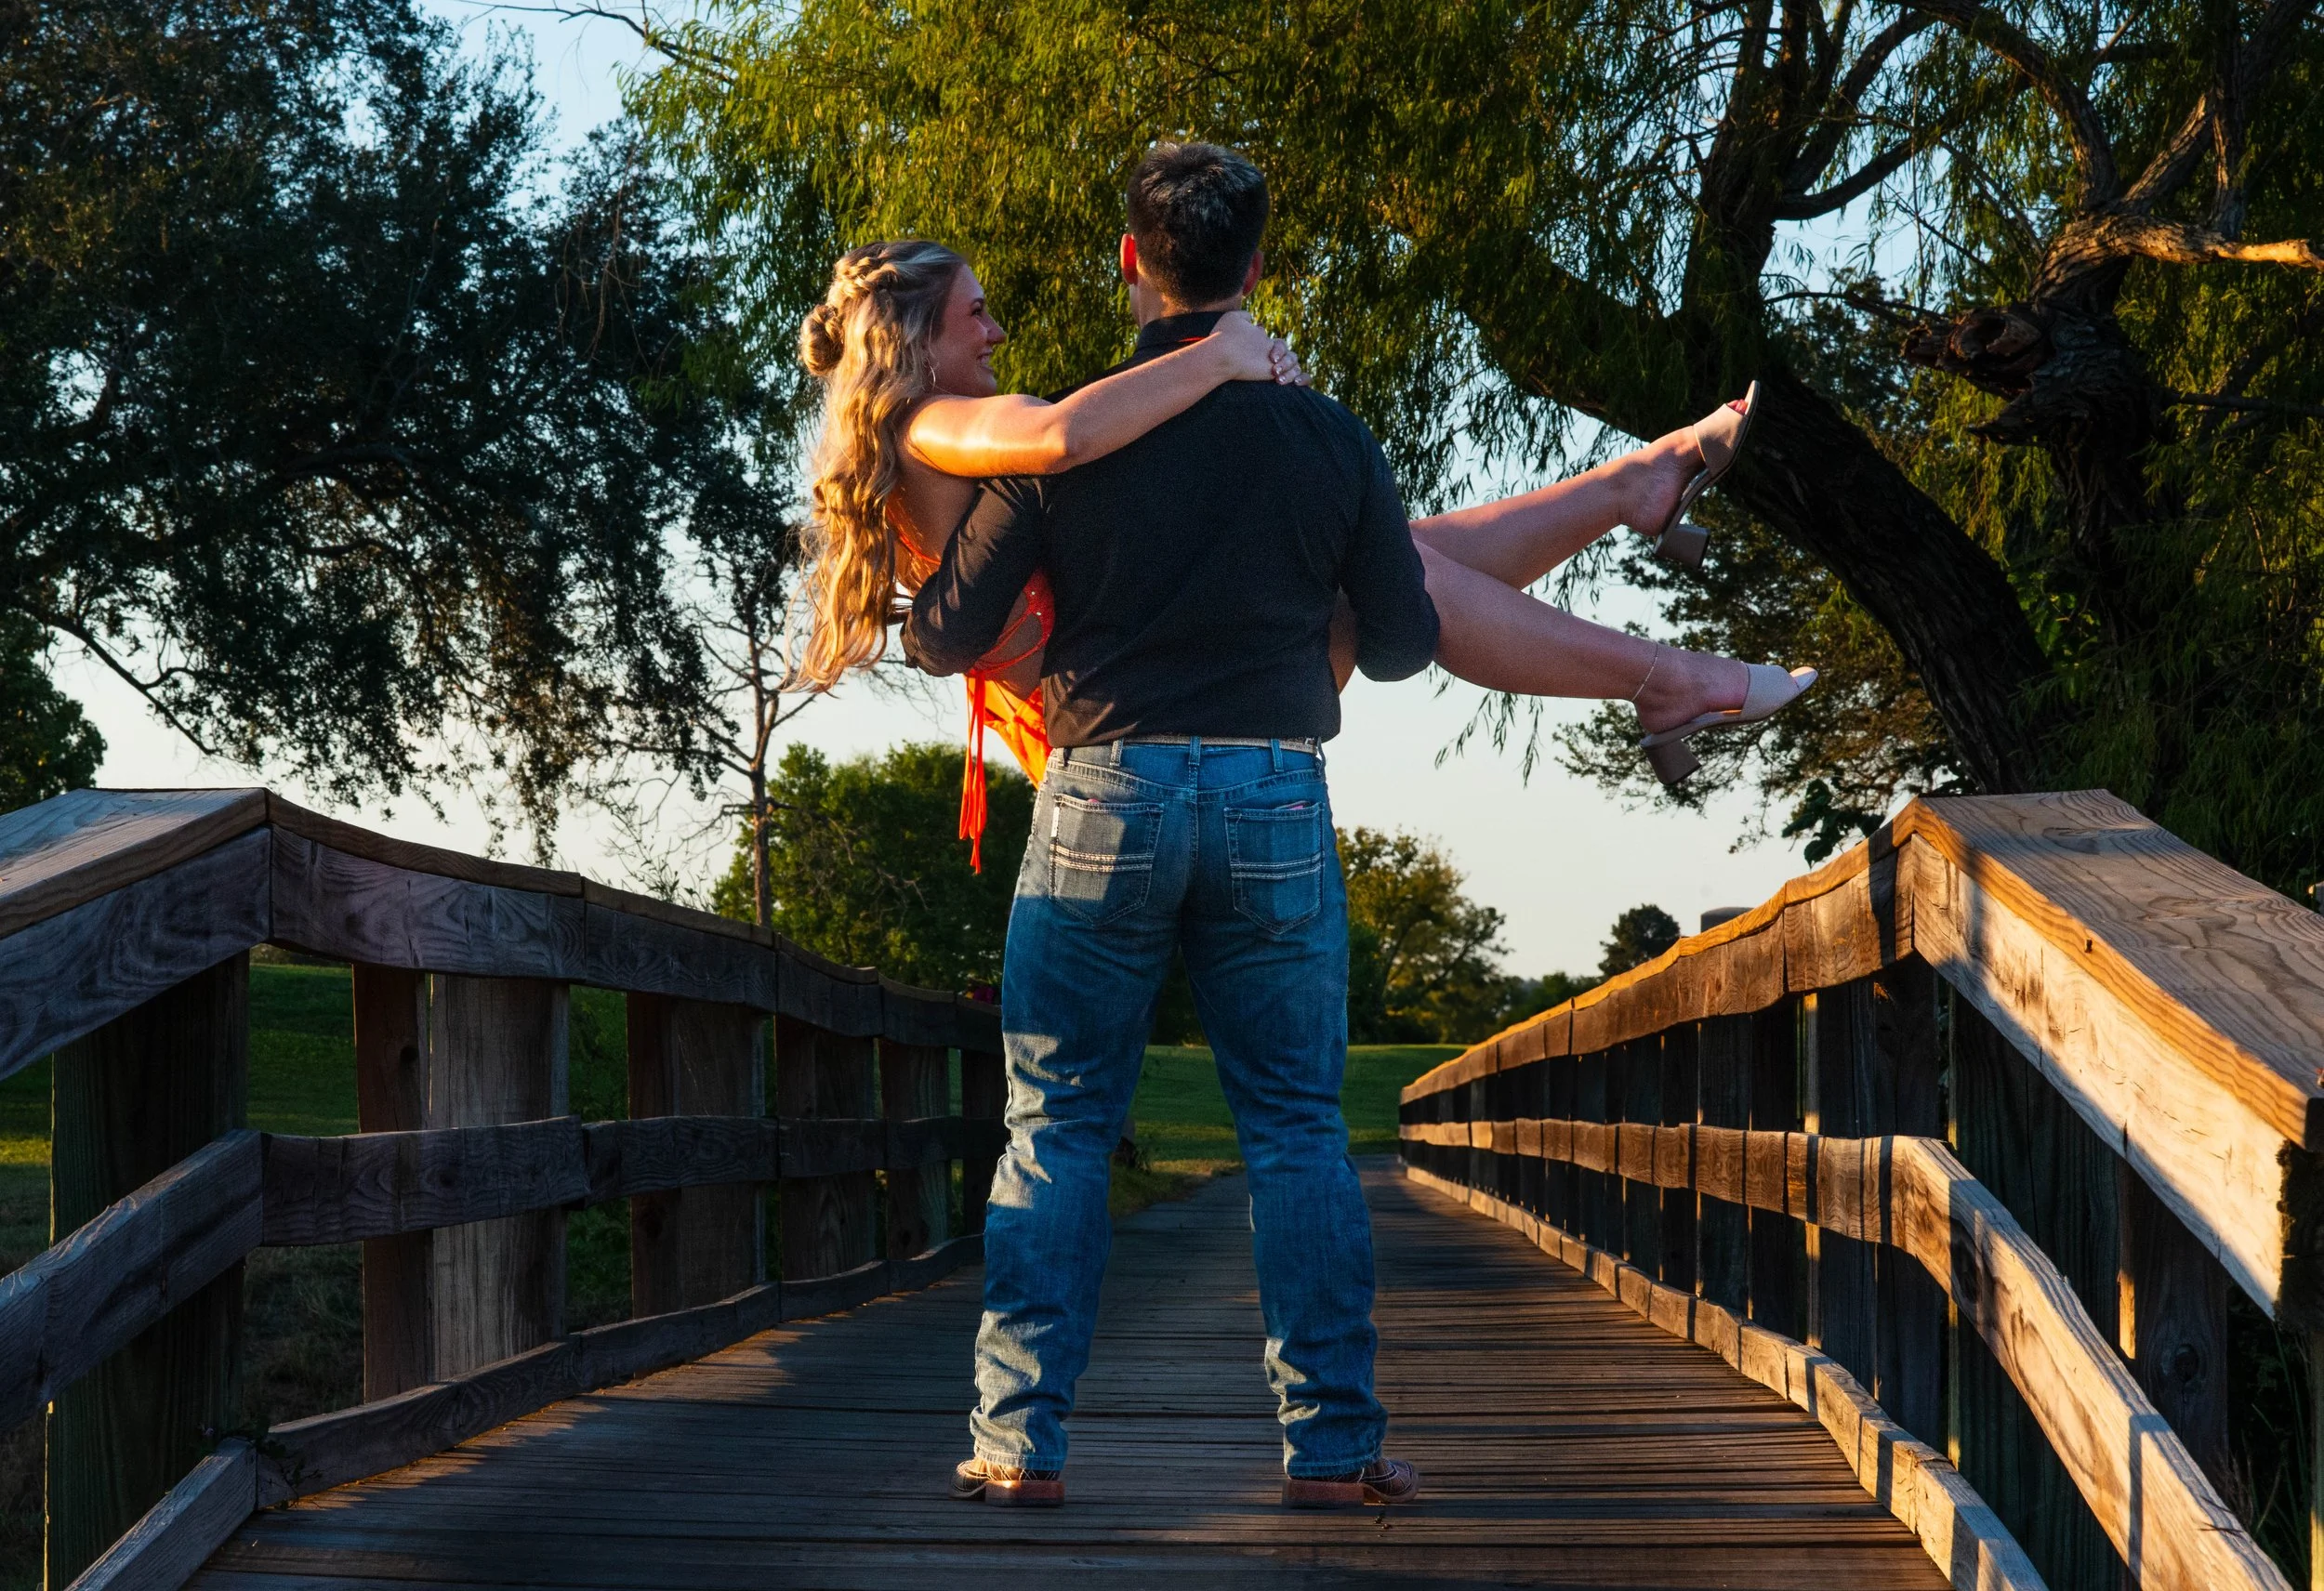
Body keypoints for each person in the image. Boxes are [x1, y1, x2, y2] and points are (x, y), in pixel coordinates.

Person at [791, 234, 1815, 863]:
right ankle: (1663, 674)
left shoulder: (907, 443)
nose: (998, 331)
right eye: (977, 312)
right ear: (915, 336)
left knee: (1391, 550)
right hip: (1141, 694)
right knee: (1392, 571)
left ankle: (1630, 490)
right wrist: (1221, 352)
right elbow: (1066, 435)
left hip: (1118, 689)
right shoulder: (940, 423)